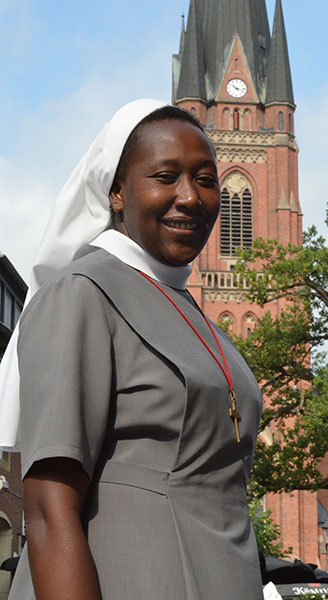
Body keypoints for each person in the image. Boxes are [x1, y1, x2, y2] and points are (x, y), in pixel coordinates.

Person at [6, 99, 264, 599]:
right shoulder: (83, 291)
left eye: (207, 179)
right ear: (117, 193)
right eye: (165, 176)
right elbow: (47, 507)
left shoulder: (190, 311)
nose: (190, 197)